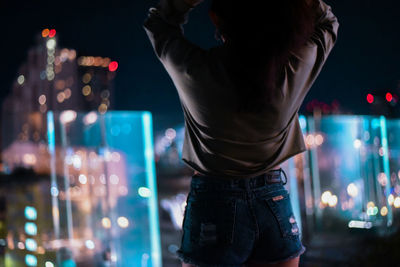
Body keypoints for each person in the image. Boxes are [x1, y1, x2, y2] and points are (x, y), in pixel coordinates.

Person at [144, 0, 338, 266]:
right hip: (273, 201)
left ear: (216, 18)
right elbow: (328, 24)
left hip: (213, 202)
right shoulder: (293, 68)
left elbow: (158, 23)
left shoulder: (195, 69)